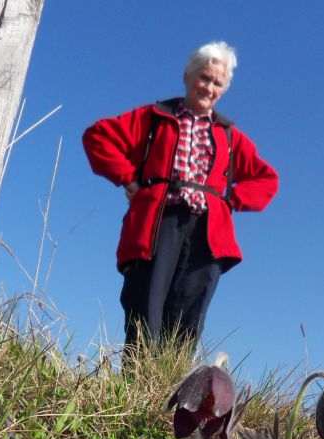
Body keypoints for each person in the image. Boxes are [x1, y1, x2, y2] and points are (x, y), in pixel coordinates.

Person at [82, 41, 278, 353]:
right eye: (204, 77)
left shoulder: (229, 136)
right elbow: (98, 136)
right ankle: (138, 389)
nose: (209, 86)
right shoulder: (155, 117)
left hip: (206, 233)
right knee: (146, 308)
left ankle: (174, 391)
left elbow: (266, 178)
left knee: (188, 317)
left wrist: (229, 200)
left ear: (223, 89)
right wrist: (129, 181)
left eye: (217, 82)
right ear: (187, 75)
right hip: (159, 224)